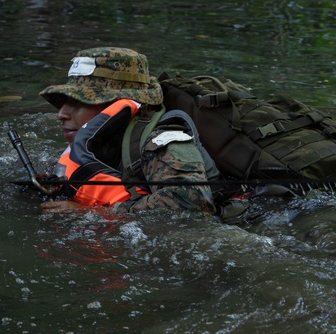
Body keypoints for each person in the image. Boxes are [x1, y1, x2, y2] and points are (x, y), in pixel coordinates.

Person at [37, 46, 217, 214]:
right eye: (64, 102)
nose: (61, 114)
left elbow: (193, 204)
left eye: (80, 101)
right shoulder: (93, 141)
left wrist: (93, 212)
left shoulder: (160, 140)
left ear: (118, 104)